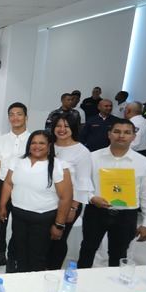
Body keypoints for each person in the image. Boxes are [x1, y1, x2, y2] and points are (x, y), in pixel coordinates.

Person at [78, 119, 146, 268]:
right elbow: (82, 183)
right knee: (87, 249)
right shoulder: (92, 157)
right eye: (117, 131)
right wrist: (91, 198)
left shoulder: (144, 163)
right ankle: (79, 281)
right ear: (109, 134)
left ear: (134, 137)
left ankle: (114, 288)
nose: (121, 136)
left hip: (126, 215)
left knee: (119, 254)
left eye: (127, 132)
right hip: (96, 211)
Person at [0, 130, 72, 272]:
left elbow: (66, 197)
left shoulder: (59, 165)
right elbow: (8, 183)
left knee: (37, 255)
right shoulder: (17, 161)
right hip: (18, 215)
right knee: (19, 250)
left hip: (43, 219)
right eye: (33, 143)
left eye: (42, 143)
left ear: (49, 145)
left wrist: (59, 225)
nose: (37, 146)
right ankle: (19, 278)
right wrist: (2, 206)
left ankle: (33, 286)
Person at [0, 102, 31, 272]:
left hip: (24, 189)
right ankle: (0, 254)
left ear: (26, 117)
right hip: (1, 186)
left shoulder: (33, 140)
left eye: (19, 114)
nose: (15, 117)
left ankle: (16, 256)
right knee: (0, 222)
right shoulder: (2, 140)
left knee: (20, 225)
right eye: (11, 114)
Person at [47, 114, 93, 269]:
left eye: (66, 126)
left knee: (59, 237)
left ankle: (53, 269)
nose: (61, 129)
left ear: (73, 128)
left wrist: (73, 207)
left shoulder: (82, 151)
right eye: (58, 126)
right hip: (47, 200)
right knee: (46, 236)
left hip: (69, 203)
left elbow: (82, 182)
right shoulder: (48, 145)